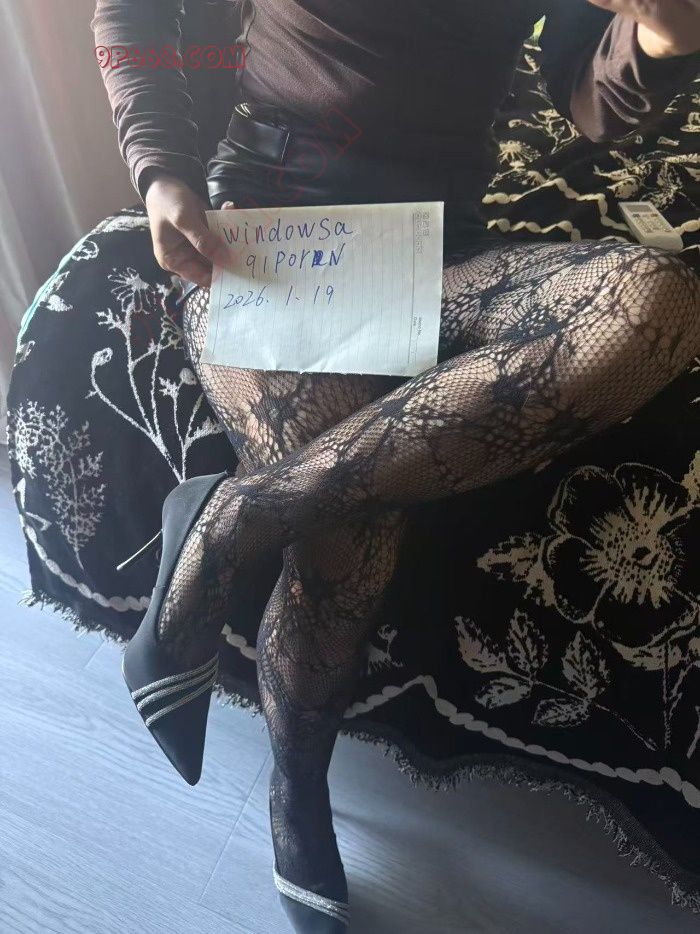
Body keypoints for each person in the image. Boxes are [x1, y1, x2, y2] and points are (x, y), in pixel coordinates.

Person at [92, 1, 700, 930]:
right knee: (355, 521)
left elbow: (587, 96)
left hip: (439, 244)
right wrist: (161, 171)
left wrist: (664, 34)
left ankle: (232, 518)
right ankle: (297, 787)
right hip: (268, 229)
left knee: (656, 303)